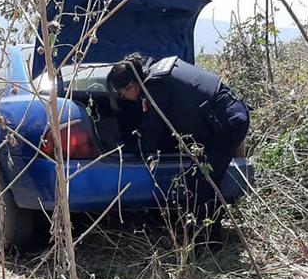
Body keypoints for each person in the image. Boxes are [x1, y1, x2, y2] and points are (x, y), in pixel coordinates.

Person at [106, 53, 250, 211]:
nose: (124, 98)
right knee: (202, 178)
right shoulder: (159, 70)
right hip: (229, 113)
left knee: (202, 182)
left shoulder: (155, 86)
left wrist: (131, 148)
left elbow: (153, 136)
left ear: (131, 86)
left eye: (122, 94)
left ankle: (209, 234)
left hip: (228, 123)